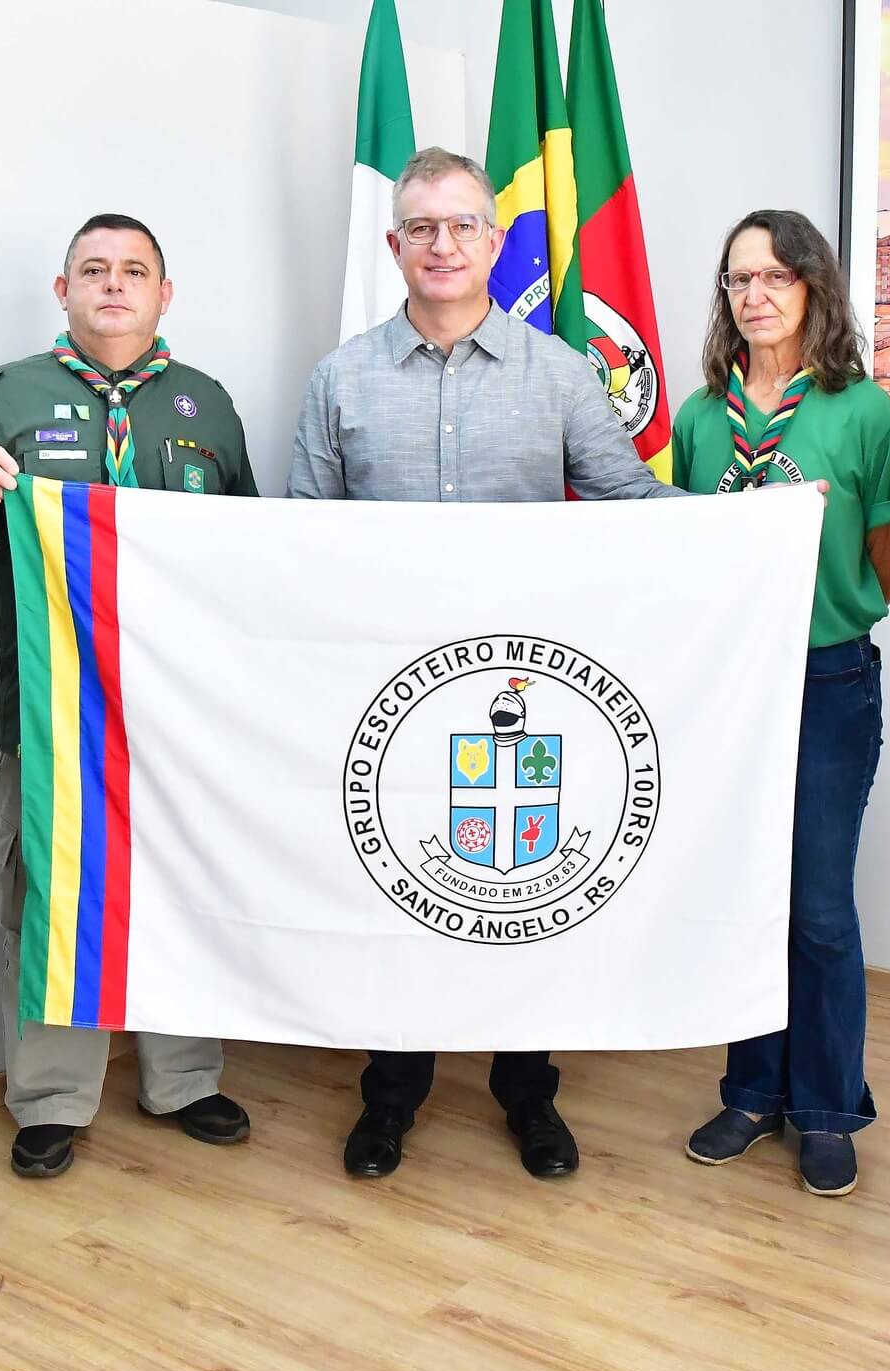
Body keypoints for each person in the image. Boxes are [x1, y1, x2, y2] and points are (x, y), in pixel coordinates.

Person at [289, 146, 689, 1181]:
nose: (442, 244)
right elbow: (301, 540)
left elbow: (632, 504)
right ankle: (391, 1094)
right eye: (421, 227)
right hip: (390, 694)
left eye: (462, 224)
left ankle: (528, 1092)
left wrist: (756, 524)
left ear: (495, 240)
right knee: (399, 884)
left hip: (525, 682)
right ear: (394, 245)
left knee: (516, 890)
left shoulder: (558, 373)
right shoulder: (340, 379)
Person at [0, 214, 256, 1179]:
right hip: (50, 705)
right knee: (51, 897)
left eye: (134, 270)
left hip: (179, 713)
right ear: (62, 289)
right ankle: (52, 1098)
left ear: (164, 294)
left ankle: (184, 1077)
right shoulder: (5, 395)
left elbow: (243, 557)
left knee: (182, 883)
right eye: (94, 269)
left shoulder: (206, 404)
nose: (115, 284)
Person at [670, 210, 890, 1197]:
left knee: (816, 908)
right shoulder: (700, 418)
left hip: (825, 681)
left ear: (814, 287)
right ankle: (751, 1093)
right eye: (739, 279)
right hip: (726, 686)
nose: (756, 294)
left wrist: (820, 612)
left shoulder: (862, 412)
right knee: (744, 894)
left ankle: (826, 1106)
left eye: (777, 275)